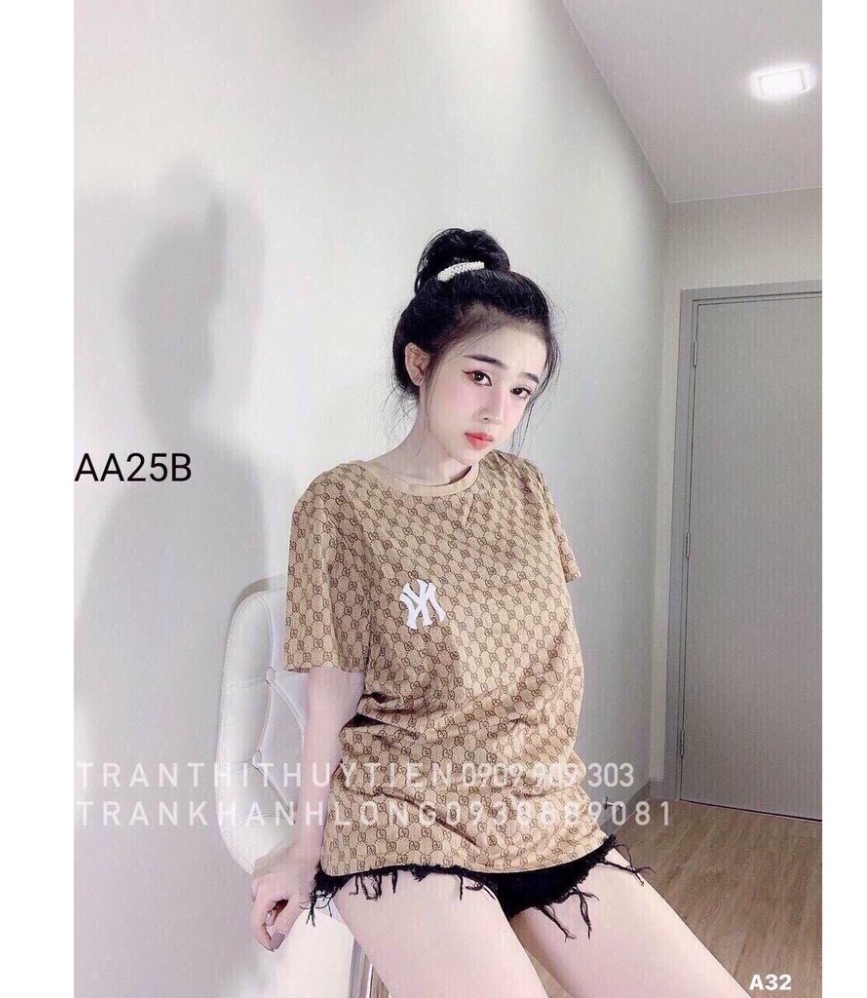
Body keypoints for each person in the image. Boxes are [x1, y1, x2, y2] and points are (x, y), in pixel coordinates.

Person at [250, 228, 749, 997]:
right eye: (480, 376)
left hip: (537, 806)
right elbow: (332, 693)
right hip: (402, 812)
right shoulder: (340, 503)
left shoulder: (525, 490)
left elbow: (542, 661)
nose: (499, 409)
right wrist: (302, 846)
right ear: (421, 364)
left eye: (522, 390)